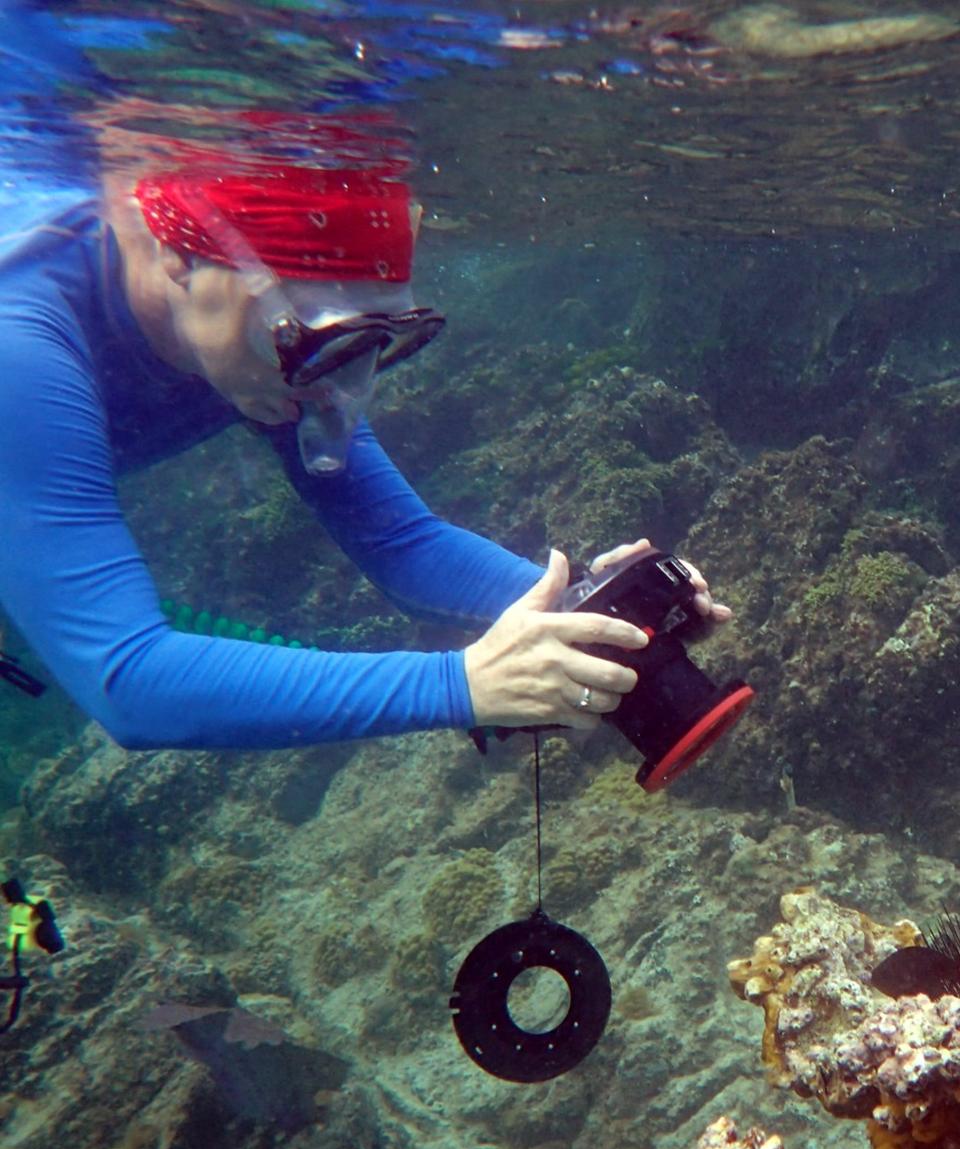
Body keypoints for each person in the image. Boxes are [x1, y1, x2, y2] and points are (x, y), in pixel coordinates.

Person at [0, 156, 729, 752]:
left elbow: (402, 542)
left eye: (372, 346)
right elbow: (129, 681)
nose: (336, 391)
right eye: (313, 343)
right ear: (174, 258)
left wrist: (590, 615)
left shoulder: (270, 351)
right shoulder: (19, 343)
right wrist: (463, 686)